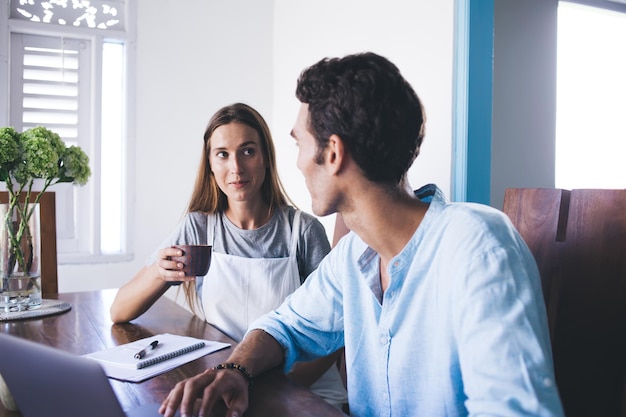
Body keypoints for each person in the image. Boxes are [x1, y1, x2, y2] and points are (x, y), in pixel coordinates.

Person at [159, 53, 565, 417]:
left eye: (299, 144)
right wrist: (234, 370)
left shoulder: (479, 247)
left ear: (332, 154)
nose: (298, 163)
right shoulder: (353, 256)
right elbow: (284, 327)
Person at [110, 102, 347, 409]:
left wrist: (274, 388)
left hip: (302, 390)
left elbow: (332, 337)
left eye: (248, 151)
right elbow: (119, 311)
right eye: (222, 154)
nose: (236, 167)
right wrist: (159, 272)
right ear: (210, 163)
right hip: (230, 384)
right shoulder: (199, 227)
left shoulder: (302, 231)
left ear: (266, 159)